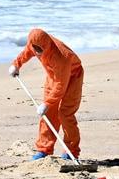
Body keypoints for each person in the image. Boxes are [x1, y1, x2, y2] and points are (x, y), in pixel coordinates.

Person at [9, 28, 85, 161]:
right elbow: (27, 52)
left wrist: (47, 103)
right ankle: (44, 149)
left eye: (40, 49)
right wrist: (16, 64)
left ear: (47, 45)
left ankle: (71, 152)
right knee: (48, 114)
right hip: (53, 76)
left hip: (73, 76)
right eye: (35, 48)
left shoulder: (62, 57)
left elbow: (60, 86)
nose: (37, 51)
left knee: (65, 114)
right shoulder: (34, 44)